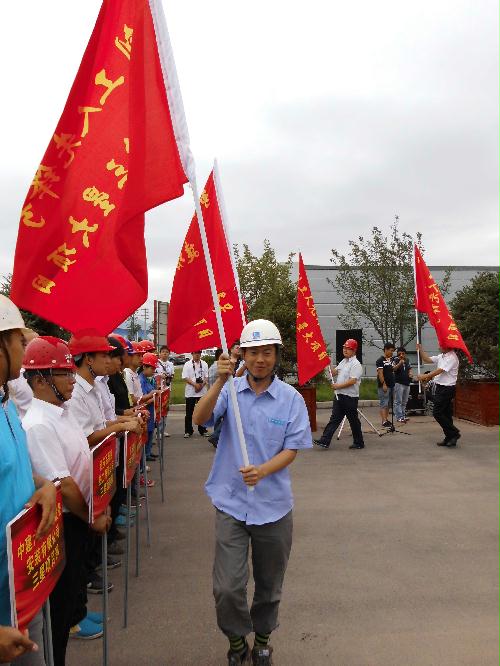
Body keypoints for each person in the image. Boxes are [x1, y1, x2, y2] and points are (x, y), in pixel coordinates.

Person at [193, 319, 312, 666]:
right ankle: (236, 641)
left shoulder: (290, 399)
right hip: (231, 503)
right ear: (242, 355)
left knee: (269, 583)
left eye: (267, 352)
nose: (260, 359)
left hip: (273, 506)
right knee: (227, 587)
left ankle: (262, 641)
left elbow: (292, 449)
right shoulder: (229, 391)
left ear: (276, 356)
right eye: (253, 352)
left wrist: (262, 471)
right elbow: (200, 418)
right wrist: (220, 380)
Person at [22, 336, 111, 664]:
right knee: (57, 617)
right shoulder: (38, 424)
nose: (73, 379)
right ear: (40, 380)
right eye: (64, 373)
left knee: (71, 594)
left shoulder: (62, 411)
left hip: (79, 517)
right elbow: (64, 485)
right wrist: (92, 516)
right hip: (65, 523)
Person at [0, 296, 56, 665]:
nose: (25, 350)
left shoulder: (5, 404)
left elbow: (14, 467)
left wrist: (44, 485)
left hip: (22, 584)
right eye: (20, 341)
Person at [313, 338, 364, 450]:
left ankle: (359, 442)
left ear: (354, 350)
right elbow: (333, 372)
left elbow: (352, 381)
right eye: (344, 348)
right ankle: (325, 440)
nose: (345, 350)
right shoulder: (343, 362)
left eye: (348, 348)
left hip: (350, 397)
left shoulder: (356, 364)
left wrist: (338, 386)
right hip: (339, 395)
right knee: (334, 419)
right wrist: (328, 363)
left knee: (353, 421)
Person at [416, 343, 461, 447]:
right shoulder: (442, 356)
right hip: (441, 388)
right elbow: (427, 359)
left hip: (447, 388)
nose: (439, 347)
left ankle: (454, 433)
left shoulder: (452, 357)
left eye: (441, 345)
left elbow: (440, 370)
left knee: (437, 413)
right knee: (446, 414)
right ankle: (450, 438)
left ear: (447, 346)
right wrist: (420, 349)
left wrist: (425, 376)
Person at [182, 351, 209, 438]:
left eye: (199, 353)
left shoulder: (204, 364)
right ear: (192, 354)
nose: (197, 354)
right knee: (189, 413)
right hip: (191, 392)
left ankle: (203, 430)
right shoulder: (187, 364)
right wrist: (195, 385)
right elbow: (185, 377)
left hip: (202, 391)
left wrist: (201, 386)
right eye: (195, 353)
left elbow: (206, 377)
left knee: (202, 412)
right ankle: (188, 431)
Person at [376, 342, 396, 427]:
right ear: (386, 350)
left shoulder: (391, 360)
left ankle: (386, 419)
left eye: (393, 351)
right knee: (384, 403)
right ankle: (384, 421)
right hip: (384, 385)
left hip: (391, 385)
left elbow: (393, 370)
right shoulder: (380, 360)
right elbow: (380, 374)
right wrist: (384, 384)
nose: (392, 352)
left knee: (388, 404)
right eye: (391, 350)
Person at [393, 347, 413, 423]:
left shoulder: (407, 360)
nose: (401, 355)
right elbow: (394, 369)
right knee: (398, 401)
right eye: (399, 354)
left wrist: (410, 373)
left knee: (404, 401)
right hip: (399, 383)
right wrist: (400, 363)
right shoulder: (395, 360)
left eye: (403, 354)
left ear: (405, 354)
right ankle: (399, 417)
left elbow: (410, 368)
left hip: (407, 383)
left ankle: (403, 415)